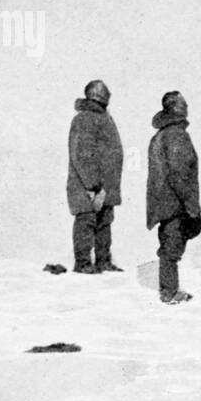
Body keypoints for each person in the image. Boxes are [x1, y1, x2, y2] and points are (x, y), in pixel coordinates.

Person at [146, 91, 201, 304]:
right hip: (175, 203)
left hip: (164, 203)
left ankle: (169, 288)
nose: (187, 106)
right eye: (183, 103)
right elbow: (180, 174)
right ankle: (169, 291)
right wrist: (191, 205)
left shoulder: (161, 134)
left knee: (171, 244)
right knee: (171, 247)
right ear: (175, 108)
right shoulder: (177, 134)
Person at [66, 79, 124, 274]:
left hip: (104, 187)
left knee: (104, 223)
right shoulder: (84, 118)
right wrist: (94, 187)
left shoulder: (104, 118)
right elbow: (82, 154)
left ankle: (103, 261)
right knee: (86, 221)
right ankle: (82, 263)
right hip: (88, 187)